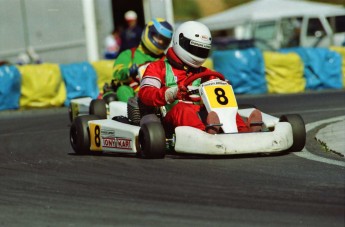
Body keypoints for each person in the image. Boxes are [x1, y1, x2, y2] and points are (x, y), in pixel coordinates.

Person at [138, 21, 262, 135]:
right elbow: (145, 94)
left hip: (204, 115)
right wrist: (170, 93)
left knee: (225, 107)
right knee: (183, 109)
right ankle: (204, 135)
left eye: (202, 50)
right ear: (180, 41)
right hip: (169, 119)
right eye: (195, 48)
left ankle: (245, 133)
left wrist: (222, 85)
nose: (198, 53)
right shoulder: (157, 67)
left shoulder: (206, 73)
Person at [107, 18, 173, 102]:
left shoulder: (165, 59)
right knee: (122, 90)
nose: (160, 42)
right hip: (135, 92)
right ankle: (135, 112)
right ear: (148, 32)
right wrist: (129, 72)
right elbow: (117, 74)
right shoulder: (129, 54)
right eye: (158, 37)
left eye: (164, 40)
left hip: (157, 93)